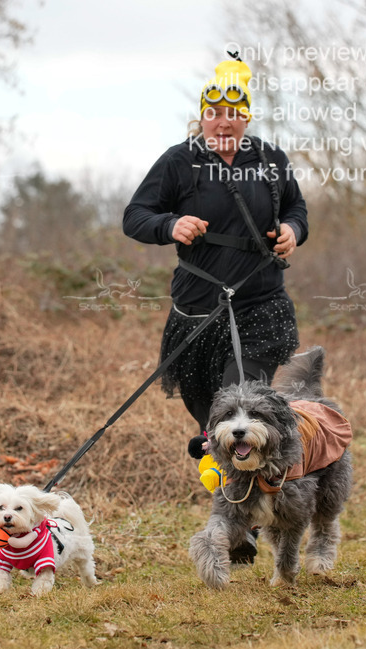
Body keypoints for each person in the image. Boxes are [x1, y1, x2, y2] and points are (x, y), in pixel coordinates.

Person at [122, 56, 308, 441]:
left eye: (233, 113)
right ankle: (227, 478)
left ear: (246, 117)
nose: (224, 121)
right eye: (214, 113)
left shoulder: (270, 159)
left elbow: (296, 208)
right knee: (209, 414)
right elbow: (135, 216)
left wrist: (293, 229)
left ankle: (264, 486)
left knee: (241, 401)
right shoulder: (179, 161)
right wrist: (171, 224)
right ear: (202, 117)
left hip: (260, 304)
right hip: (198, 309)